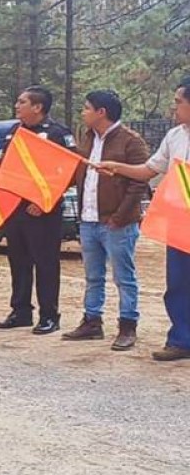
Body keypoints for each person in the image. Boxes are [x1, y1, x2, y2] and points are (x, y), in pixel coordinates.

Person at [98, 77, 190, 361]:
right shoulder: (175, 136)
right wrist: (118, 168)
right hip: (181, 225)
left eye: (178, 102)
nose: (173, 107)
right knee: (179, 283)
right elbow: (149, 170)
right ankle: (181, 340)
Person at [0, 85, 77, 335]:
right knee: (18, 261)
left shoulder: (57, 133)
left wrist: (45, 201)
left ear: (37, 107)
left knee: (45, 263)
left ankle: (49, 315)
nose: (16, 105)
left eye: (22, 102)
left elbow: (69, 173)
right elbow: (12, 169)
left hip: (43, 209)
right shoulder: (15, 131)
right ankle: (21, 311)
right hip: (16, 206)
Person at [62, 90, 149, 350]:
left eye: (86, 108)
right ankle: (92, 321)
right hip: (88, 219)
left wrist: (120, 216)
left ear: (102, 112)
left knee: (124, 276)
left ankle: (127, 325)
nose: (82, 112)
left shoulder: (131, 141)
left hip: (117, 223)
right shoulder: (87, 139)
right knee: (93, 275)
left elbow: (140, 183)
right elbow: (76, 173)